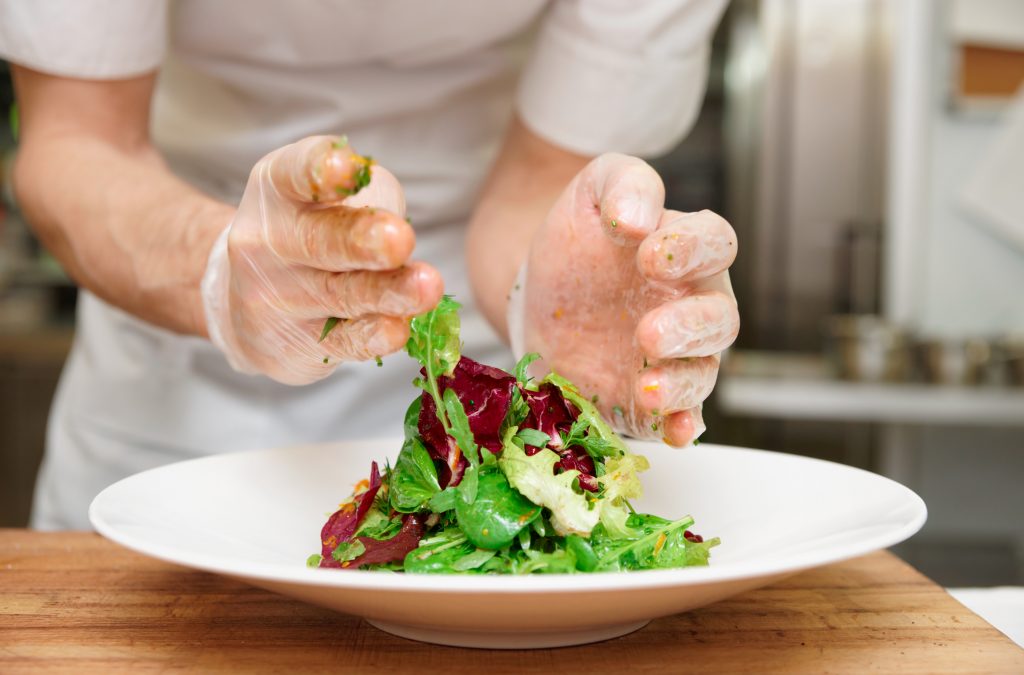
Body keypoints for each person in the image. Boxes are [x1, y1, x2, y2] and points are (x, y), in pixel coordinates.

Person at [0, 0, 739, 530]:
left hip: (470, 421)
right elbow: (77, 142)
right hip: (167, 394)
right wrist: (221, 273)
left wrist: (558, 295)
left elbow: (530, 185)